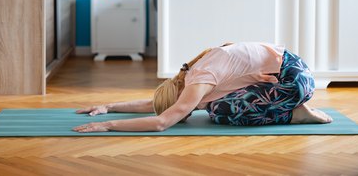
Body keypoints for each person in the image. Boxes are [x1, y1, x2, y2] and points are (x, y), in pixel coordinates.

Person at [73, 42, 332, 133]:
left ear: (177, 93)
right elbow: (156, 106)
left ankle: (294, 114)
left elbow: (162, 121)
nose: (187, 113)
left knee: (220, 111)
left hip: (292, 82)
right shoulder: (190, 75)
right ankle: (295, 107)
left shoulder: (199, 79)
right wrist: (109, 107)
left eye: (183, 112)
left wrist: (108, 125)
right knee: (215, 106)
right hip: (297, 76)